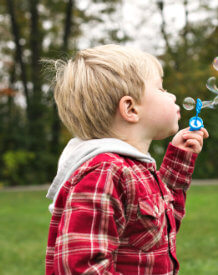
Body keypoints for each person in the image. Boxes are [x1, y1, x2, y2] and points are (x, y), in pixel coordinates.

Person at [45, 44, 209, 275]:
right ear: (130, 109)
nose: (172, 95)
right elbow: (82, 268)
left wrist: (179, 158)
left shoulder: (131, 169)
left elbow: (160, 229)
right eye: (161, 89)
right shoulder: (104, 172)